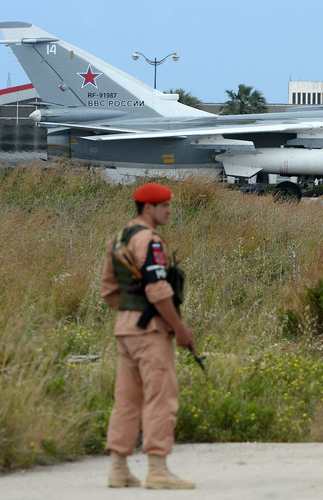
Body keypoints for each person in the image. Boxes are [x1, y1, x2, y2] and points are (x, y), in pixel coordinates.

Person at [100, 182, 196, 489]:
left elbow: (109, 290)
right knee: (160, 397)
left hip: (126, 328)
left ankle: (118, 468)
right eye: (164, 205)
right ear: (148, 208)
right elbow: (156, 288)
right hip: (150, 331)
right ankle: (157, 469)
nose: (169, 210)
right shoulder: (149, 241)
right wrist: (178, 328)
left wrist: (130, 314)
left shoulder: (119, 238)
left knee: (126, 399)